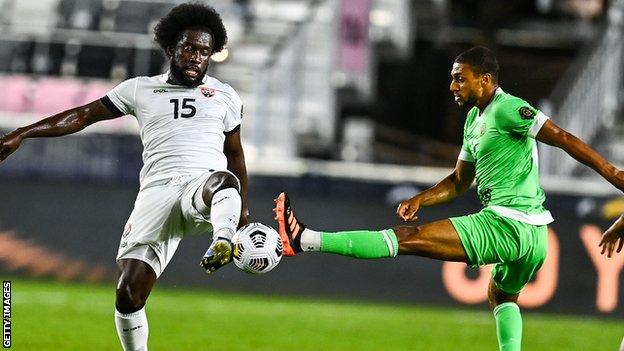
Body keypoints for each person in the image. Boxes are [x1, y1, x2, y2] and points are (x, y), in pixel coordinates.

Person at [274, 46, 624, 351]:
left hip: (507, 224)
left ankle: (306, 238)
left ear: (485, 79)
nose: (453, 86)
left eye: (461, 78)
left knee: (405, 239)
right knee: (501, 296)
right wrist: (421, 200)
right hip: (533, 237)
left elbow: (561, 136)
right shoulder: (474, 120)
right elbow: (459, 181)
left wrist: (612, 173)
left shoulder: (509, 108)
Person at [0, 3, 248, 350]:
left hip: (201, 187)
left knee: (222, 180)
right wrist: (24, 132)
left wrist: (241, 211)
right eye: (189, 48)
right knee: (128, 294)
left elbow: (234, 154)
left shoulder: (225, 96)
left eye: (204, 52)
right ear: (171, 48)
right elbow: (83, 115)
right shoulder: (139, 89)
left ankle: (222, 238)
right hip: (156, 195)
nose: (196, 57)